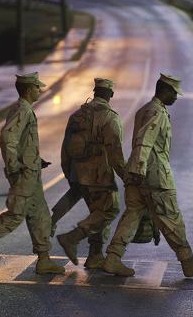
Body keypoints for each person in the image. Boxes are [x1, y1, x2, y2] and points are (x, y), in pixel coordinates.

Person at [102, 74, 193, 278]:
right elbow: (145, 141)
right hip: (154, 176)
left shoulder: (144, 109)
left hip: (139, 173)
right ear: (164, 90)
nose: (176, 98)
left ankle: (112, 258)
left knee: (132, 215)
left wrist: (134, 173)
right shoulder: (157, 112)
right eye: (174, 93)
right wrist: (138, 170)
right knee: (171, 217)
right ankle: (188, 262)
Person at [0, 72, 64, 275]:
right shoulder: (22, 110)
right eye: (37, 87)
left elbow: (22, 142)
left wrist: (35, 160)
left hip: (30, 171)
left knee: (40, 214)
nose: (39, 90)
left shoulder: (24, 109)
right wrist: (14, 167)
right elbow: (8, 137)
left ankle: (44, 259)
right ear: (28, 89)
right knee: (16, 215)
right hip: (23, 174)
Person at [57, 78, 126, 269]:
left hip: (78, 175)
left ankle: (95, 256)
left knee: (96, 214)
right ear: (110, 95)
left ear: (95, 92)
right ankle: (72, 238)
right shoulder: (110, 117)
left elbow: (65, 150)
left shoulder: (77, 115)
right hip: (99, 177)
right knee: (108, 211)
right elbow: (115, 154)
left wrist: (70, 175)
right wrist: (127, 176)